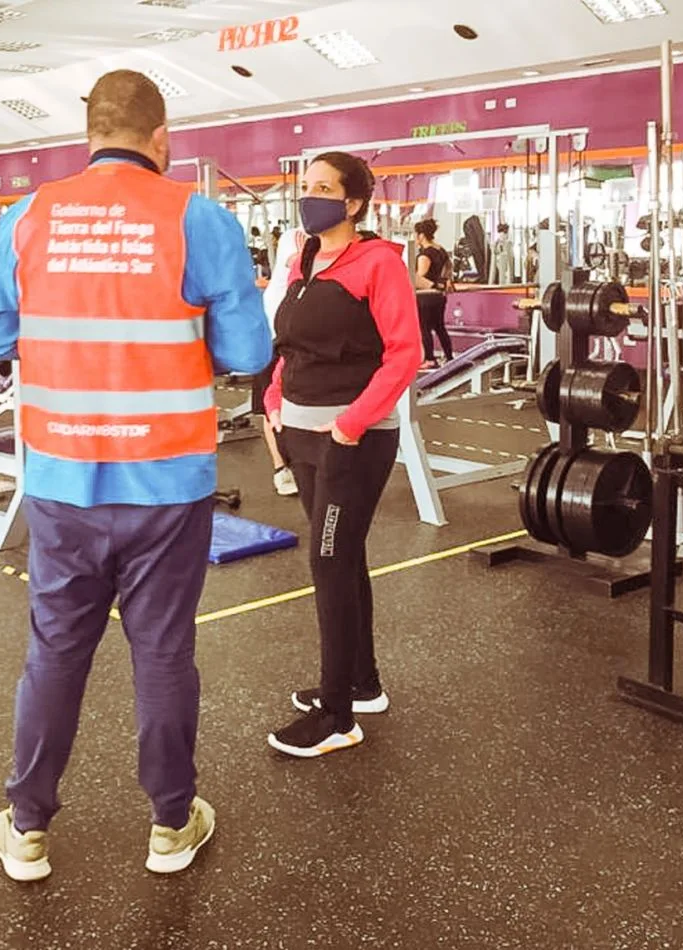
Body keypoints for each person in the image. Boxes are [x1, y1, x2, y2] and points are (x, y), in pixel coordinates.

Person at [0, 69, 272, 882]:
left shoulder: (27, 217)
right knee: (164, 651)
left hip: (65, 479)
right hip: (168, 482)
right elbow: (249, 355)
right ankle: (172, 825)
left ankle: (27, 827)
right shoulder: (199, 218)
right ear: (162, 138)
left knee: (55, 652)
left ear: (90, 133)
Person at [262, 151, 421, 759]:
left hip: (350, 439)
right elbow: (291, 344)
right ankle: (362, 684)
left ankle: (337, 717)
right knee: (343, 555)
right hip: (300, 430)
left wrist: (351, 425)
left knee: (328, 561)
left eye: (324, 188)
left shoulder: (378, 263)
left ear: (353, 203)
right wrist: (276, 394)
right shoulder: (306, 259)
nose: (311, 197)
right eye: (307, 187)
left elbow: (403, 354)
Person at [253, 226, 308, 496]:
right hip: (272, 337)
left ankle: (302, 465)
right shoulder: (295, 236)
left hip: (301, 337)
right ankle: (280, 469)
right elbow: (296, 261)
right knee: (271, 405)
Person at [413, 218, 454, 369]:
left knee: (424, 327)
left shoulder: (426, 254)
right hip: (439, 295)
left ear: (421, 235)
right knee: (439, 327)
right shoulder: (441, 250)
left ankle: (430, 359)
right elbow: (448, 271)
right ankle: (449, 357)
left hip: (426, 296)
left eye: (415, 235)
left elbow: (421, 276)